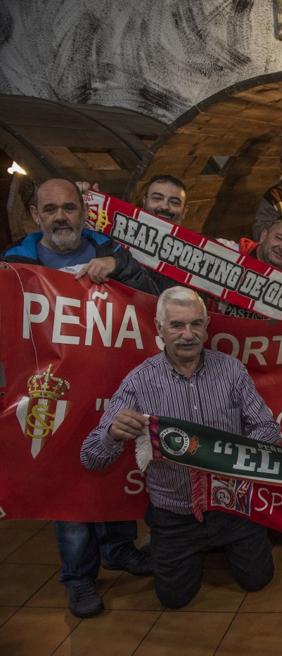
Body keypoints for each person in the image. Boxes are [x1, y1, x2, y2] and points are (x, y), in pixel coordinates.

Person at [2, 178, 156, 618]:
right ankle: (79, 577)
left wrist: (117, 267)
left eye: (69, 208)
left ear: (83, 212)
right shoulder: (13, 265)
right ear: (36, 215)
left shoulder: (111, 250)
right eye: (50, 209)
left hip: (110, 392)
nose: (60, 217)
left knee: (113, 468)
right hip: (51, 399)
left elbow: (156, 298)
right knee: (66, 485)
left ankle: (120, 548)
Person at [81, 287, 281, 609]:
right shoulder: (138, 382)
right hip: (174, 512)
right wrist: (113, 434)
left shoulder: (231, 370)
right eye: (176, 325)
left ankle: (222, 547)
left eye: (196, 324)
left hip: (234, 504)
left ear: (207, 326)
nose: (187, 335)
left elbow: (269, 428)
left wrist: (238, 455)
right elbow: (90, 456)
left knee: (259, 580)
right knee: (174, 599)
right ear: (159, 328)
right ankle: (172, 546)